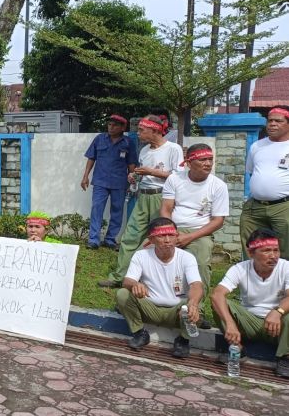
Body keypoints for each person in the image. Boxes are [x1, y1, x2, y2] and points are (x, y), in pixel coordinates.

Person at [99, 115, 184, 288]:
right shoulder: (145, 151)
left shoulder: (173, 149)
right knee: (130, 236)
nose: (138, 133)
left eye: (141, 130)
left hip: (162, 198)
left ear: (155, 131)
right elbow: (143, 174)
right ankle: (119, 277)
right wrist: (134, 176)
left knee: (157, 239)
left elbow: (179, 177)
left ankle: (149, 279)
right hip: (142, 196)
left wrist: (151, 172)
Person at [160, 143, 229, 328]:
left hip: (200, 233)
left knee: (200, 262)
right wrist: (171, 233)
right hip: (172, 228)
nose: (208, 163)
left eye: (210, 160)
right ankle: (146, 302)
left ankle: (199, 310)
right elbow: (166, 210)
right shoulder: (174, 179)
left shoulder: (218, 186)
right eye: (203, 159)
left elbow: (218, 221)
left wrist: (189, 237)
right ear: (189, 163)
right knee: (146, 252)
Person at [116, 218, 203, 358]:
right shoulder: (141, 255)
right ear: (151, 239)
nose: (167, 240)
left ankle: (183, 340)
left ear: (177, 236)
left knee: (198, 305)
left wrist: (192, 303)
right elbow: (127, 281)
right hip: (150, 307)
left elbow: (196, 285)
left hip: (177, 312)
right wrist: (135, 285)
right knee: (123, 294)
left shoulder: (187, 258)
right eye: (161, 236)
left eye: (171, 235)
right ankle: (139, 333)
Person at [211, 229, 289, 378]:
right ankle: (237, 350)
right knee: (220, 302)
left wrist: (277, 311)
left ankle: (285, 357)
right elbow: (217, 293)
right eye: (266, 251)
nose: (273, 256)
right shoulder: (240, 268)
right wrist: (230, 323)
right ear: (251, 253)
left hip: (279, 325)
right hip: (250, 323)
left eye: (276, 250)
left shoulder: (286, 267)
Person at [81, 114, 137, 250]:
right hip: (100, 181)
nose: (111, 128)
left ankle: (110, 239)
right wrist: (85, 176)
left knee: (117, 211)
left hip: (119, 182)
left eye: (115, 125)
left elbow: (131, 164)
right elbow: (91, 158)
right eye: (109, 125)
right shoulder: (99, 139)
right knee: (96, 209)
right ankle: (94, 239)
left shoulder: (128, 142)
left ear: (123, 127)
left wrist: (133, 182)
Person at [240, 105, 289, 260]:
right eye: (270, 120)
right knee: (251, 248)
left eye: (278, 121)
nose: (272, 124)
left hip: (283, 208)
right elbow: (251, 171)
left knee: (284, 252)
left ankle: (282, 283)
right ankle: (251, 282)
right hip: (255, 207)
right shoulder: (257, 146)